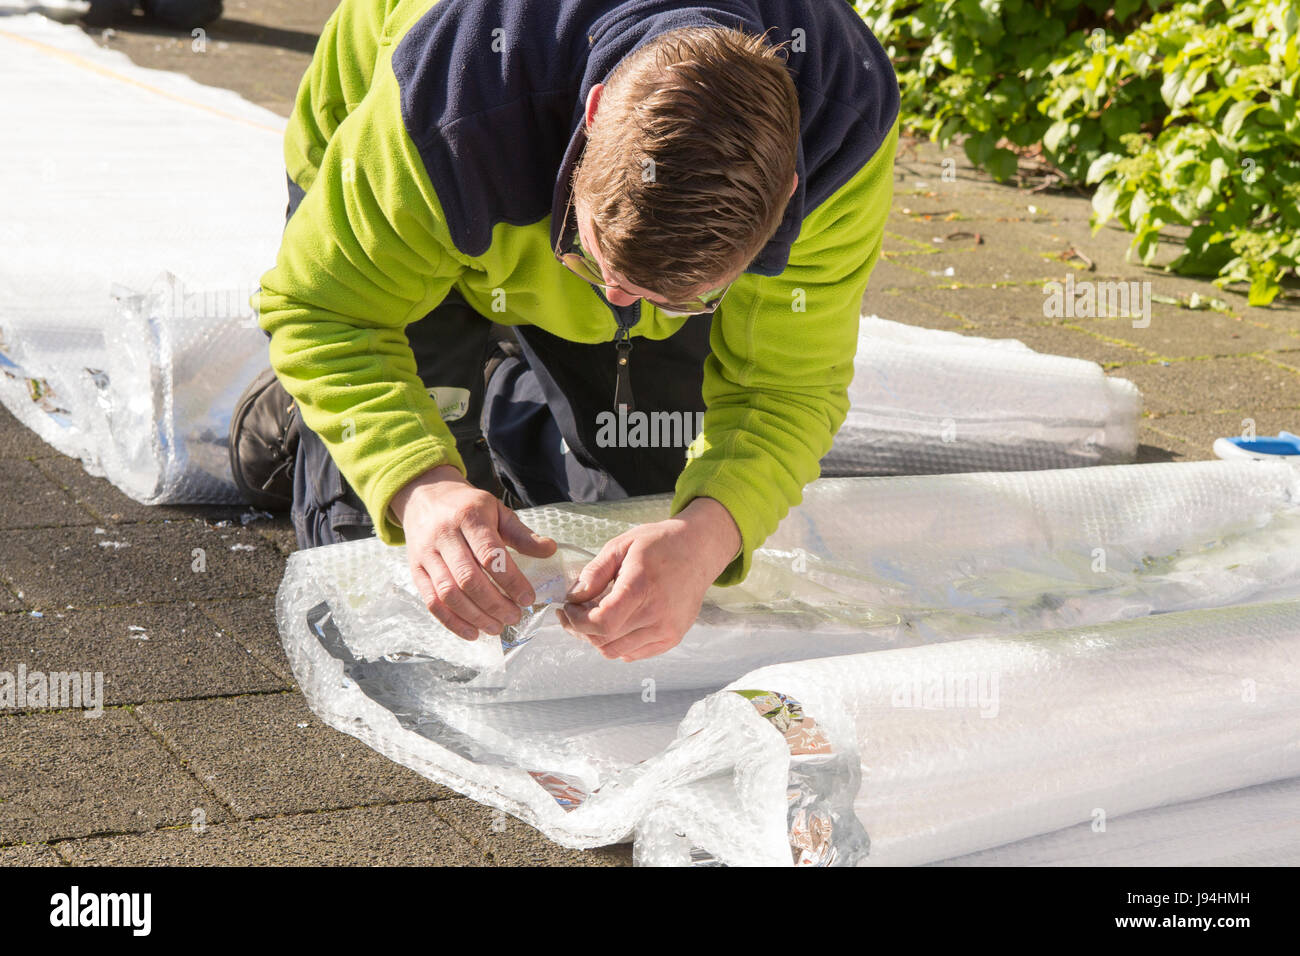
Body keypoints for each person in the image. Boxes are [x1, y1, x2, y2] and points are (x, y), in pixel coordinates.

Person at [234, 0, 899, 663]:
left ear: (789, 192)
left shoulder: (847, 129)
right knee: (380, 598)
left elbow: (784, 390)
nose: (618, 306)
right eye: (597, 261)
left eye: (685, 300)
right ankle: (296, 421)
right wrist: (421, 485)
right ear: (592, 112)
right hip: (398, 219)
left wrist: (703, 539)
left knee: (647, 522)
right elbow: (327, 311)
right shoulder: (447, 104)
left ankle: (505, 392)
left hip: (515, 199)